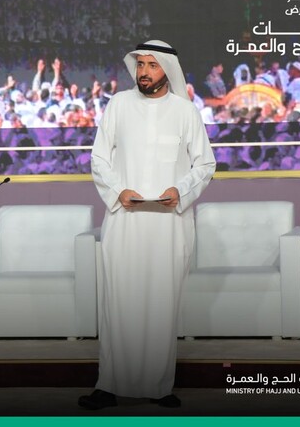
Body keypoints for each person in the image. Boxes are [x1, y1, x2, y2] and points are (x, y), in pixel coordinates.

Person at [81, 40, 216, 410]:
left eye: (152, 65)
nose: (143, 72)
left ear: (167, 69)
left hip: (169, 223)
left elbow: (204, 165)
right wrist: (118, 191)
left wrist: (181, 189)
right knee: (118, 302)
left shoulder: (186, 111)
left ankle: (159, 386)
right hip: (124, 218)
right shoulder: (119, 105)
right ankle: (108, 384)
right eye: (140, 64)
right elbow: (99, 158)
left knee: (161, 304)